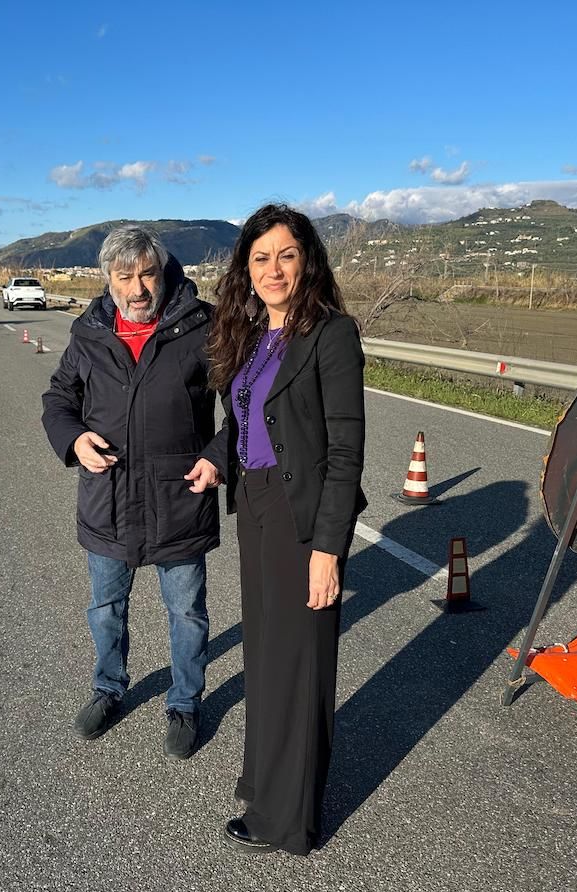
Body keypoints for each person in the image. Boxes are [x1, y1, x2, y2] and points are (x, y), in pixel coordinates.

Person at [196, 203, 366, 856]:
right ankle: (264, 780)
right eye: (260, 257)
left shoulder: (331, 335)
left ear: (308, 262)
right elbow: (244, 421)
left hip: (303, 514)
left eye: (286, 255)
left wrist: (328, 549)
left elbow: (346, 450)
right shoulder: (246, 332)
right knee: (266, 655)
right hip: (256, 506)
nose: (273, 268)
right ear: (246, 267)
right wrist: (217, 457)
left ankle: (287, 819)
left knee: (299, 665)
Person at [42, 226, 219, 761]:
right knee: (105, 607)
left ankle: (185, 702)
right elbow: (58, 399)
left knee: (186, 612)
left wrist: (216, 455)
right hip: (108, 499)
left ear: (161, 272)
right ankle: (108, 688)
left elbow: (244, 402)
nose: (138, 288)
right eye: (125, 276)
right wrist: (73, 439)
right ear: (108, 280)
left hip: (179, 498)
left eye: (146, 274)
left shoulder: (200, 327)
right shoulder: (90, 333)